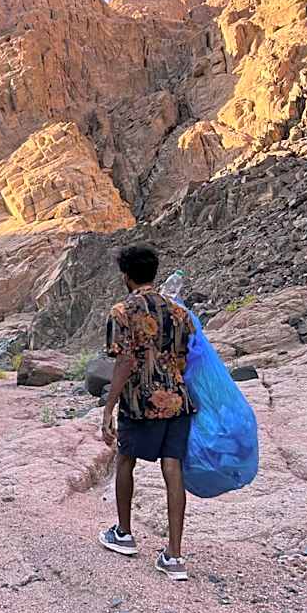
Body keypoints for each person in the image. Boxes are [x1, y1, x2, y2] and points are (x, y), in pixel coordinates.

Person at [98, 244, 197, 582]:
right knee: (173, 468)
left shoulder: (122, 312)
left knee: (126, 460)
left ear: (125, 275)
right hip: (178, 400)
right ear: (154, 271)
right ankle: (174, 555)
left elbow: (124, 361)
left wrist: (109, 407)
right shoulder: (179, 312)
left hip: (140, 403)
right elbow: (185, 356)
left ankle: (124, 533)